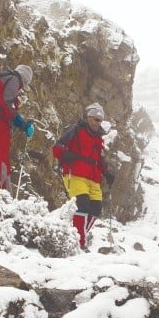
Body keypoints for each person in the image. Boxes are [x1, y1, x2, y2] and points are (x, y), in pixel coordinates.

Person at [52, 103, 115, 251]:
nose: (97, 123)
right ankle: (79, 243)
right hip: (75, 173)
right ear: (87, 117)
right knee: (82, 205)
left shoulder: (98, 138)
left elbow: (98, 159)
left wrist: (106, 172)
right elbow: (57, 147)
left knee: (96, 209)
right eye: (94, 119)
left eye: (100, 120)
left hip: (93, 178)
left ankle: (76, 237)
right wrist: (65, 155)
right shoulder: (75, 130)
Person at [0, 64, 35, 197]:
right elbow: (6, 103)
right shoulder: (14, 80)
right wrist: (22, 124)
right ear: (24, 79)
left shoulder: (5, 78)